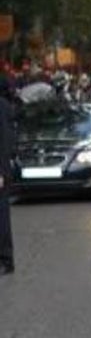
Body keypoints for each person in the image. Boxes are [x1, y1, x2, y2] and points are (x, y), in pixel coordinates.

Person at [0, 85, 14, 275]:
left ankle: (5, 259)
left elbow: (5, 140)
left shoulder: (1, 106)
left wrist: (2, 172)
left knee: (1, 217)